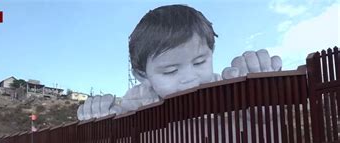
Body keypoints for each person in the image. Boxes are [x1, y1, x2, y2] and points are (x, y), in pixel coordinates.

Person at [77, 4, 282, 120]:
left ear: (212, 52)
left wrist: (261, 93)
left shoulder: (232, 90)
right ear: (142, 75)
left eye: (200, 61)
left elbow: (266, 122)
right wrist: (100, 120)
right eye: (171, 71)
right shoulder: (134, 107)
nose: (189, 78)